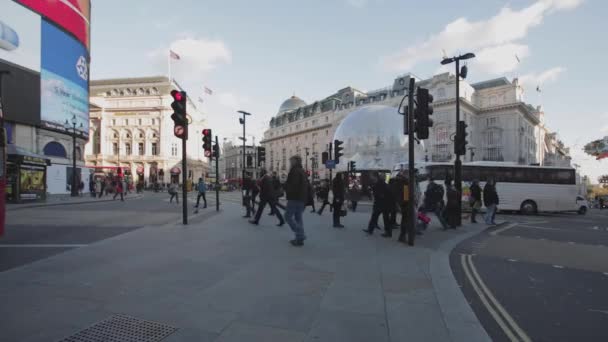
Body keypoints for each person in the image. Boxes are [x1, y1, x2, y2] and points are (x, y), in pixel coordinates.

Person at [284, 155, 308, 246]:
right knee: (298, 218)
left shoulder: (294, 171)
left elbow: (293, 185)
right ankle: (299, 240)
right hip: (302, 198)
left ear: (295, 161)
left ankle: (300, 234)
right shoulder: (302, 171)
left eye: (291, 161)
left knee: (287, 217)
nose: (290, 163)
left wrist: (285, 188)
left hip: (294, 198)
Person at [364, 172, 392, 237]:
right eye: (383, 176)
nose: (384, 177)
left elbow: (378, 193)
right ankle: (388, 232)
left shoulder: (379, 183)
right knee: (385, 218)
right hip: (384, 204)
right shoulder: (384, 184)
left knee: (376, 217)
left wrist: (376, 194)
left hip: (380, 203)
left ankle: (370, 230)